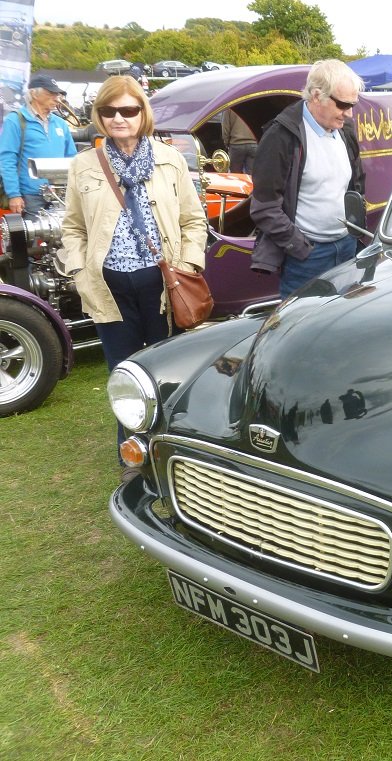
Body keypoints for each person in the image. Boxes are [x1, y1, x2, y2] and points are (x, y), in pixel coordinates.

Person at [61, 75, 207, 475]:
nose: (119, 119)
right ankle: (132, 456)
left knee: (167, 371)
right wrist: (78, 269)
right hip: (109, 287)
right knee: (124, 372)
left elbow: (194, 221)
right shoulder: (85, 165)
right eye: (109, 111)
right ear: (99, 116)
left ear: (143, 113)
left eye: (128, 110)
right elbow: (72, 227)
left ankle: (173, 451)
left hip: (163, 284)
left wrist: (189, 265)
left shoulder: (169, 159)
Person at [250, 59, 366, 299]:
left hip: (347, 248)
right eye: (343, 104)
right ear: (316, 96)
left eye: (353, 104)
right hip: (307, 258)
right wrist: (300, 247)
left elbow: (357, 184)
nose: (349, 112)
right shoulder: (281, 136)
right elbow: (264, 207)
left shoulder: (346, 129)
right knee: (302, 333)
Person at [0, 75, 77, 215]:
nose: (56, 98)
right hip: (29, 196)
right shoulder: (15, 120)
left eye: (57, 94)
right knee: (31, 235)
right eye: (51, 94)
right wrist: (14, 194)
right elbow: (7, 160)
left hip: (59, 194)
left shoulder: (60, 123)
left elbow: (72, 158)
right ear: (34, 94)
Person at [221, 108, 258, 173]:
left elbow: (225, 127)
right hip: (254, 143)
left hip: (236, 144)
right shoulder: (254, 103)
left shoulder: (229, 106)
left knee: (236, 176)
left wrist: (226, 143)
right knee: (252, 176)